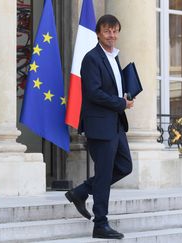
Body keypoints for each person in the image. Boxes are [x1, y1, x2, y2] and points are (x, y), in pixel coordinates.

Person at [65, 14, 134, 239]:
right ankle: (100, 224)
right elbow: (93, 93)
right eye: (107, 31)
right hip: (100, 125)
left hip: (115, 124)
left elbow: (111, 88)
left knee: (124, 166)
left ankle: (81, 191)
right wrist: (121, 103)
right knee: (104, 175)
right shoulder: (91, 58)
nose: (111, 35)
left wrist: (125, 95)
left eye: (115, 31)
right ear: (98, 33)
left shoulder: (114, 58)